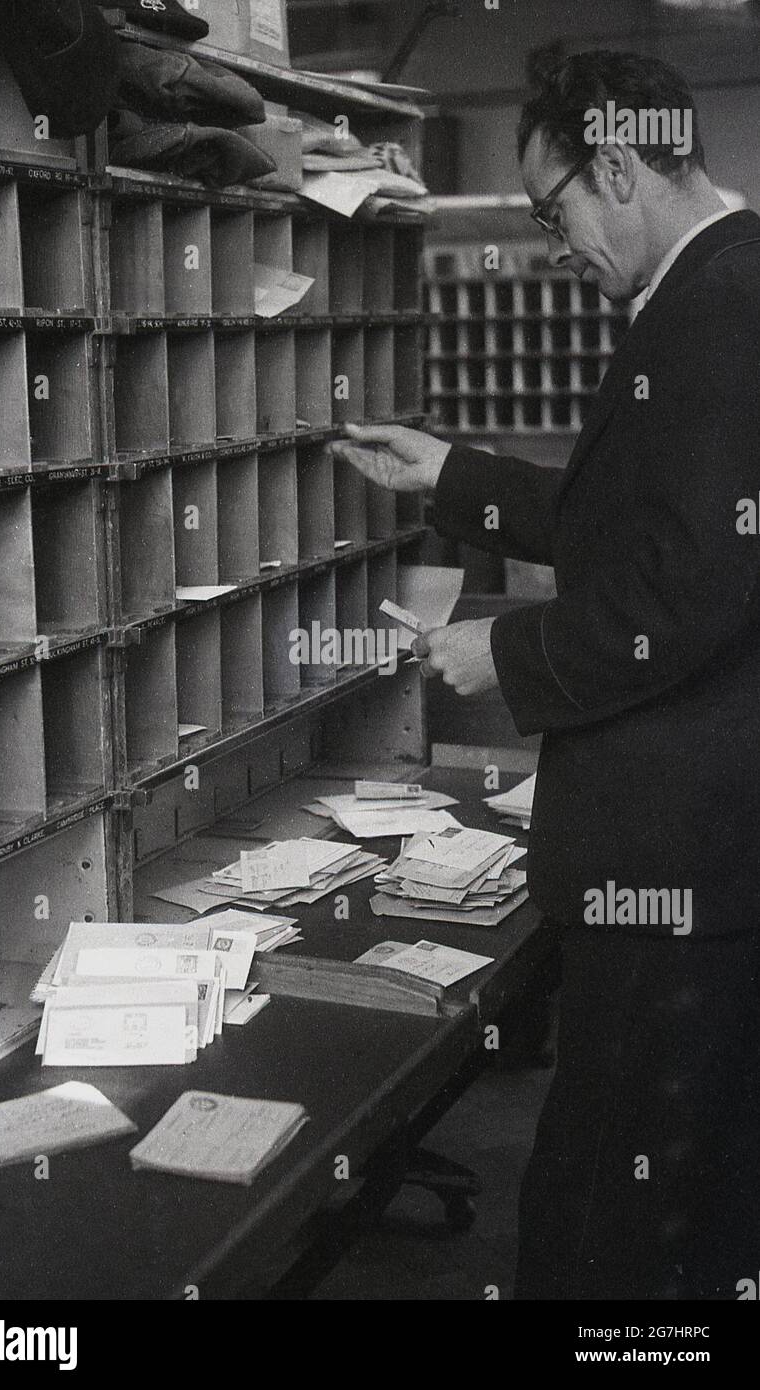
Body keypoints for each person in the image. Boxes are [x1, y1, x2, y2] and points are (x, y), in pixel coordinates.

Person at [331, 49, 760, 1300]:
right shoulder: (710, 293)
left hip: (685, 858)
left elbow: (686, 590)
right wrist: (452, 471)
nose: (552, 239)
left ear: (618, 164)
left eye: (551, 208)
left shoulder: (721, 311)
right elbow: (644, 526)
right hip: (700, 850)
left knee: (627, 1203)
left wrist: (501, 648)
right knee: (669, 1179)